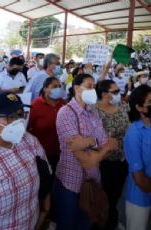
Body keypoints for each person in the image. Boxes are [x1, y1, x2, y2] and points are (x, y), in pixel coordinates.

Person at [53, 74, 117, 230]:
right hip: (71, 183)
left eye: (94, 86)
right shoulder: (65, 113)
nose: (93, 90)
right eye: (89, 86)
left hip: (93, 180)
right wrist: (98, 144)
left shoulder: (93, 112)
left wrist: (89, 142)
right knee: (68, 224)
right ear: (76, 88)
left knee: (87, 223)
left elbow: (106, 146)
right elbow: (85, 160)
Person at [0, 92, 50, 229]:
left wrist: (44, 211)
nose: (19, 122)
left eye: (21, 115)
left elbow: (44, 173)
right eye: (11, 117)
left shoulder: (29, 141)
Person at [123, 85, 151, 230]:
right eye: (150, 102)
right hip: (140, 196)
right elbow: (138, 173)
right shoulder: (134, 133)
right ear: (139, 107)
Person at [95, 80, 130, 230]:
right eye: (115, 92)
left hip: (122, 159)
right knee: (104, 196)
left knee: (115, 194)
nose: (119, 94)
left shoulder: (122, 105)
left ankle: (112, 220)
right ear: (104, 94)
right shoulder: (94, 111)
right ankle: (103, 223)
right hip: (104, 162)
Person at [28, 77, 66, 173]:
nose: (58, 88)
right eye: (54, 86)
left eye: (59, 86)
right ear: (45, 88)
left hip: (63, 151)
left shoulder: (63, 103)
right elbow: (27, 129)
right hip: (43, 154)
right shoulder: (34, 106)